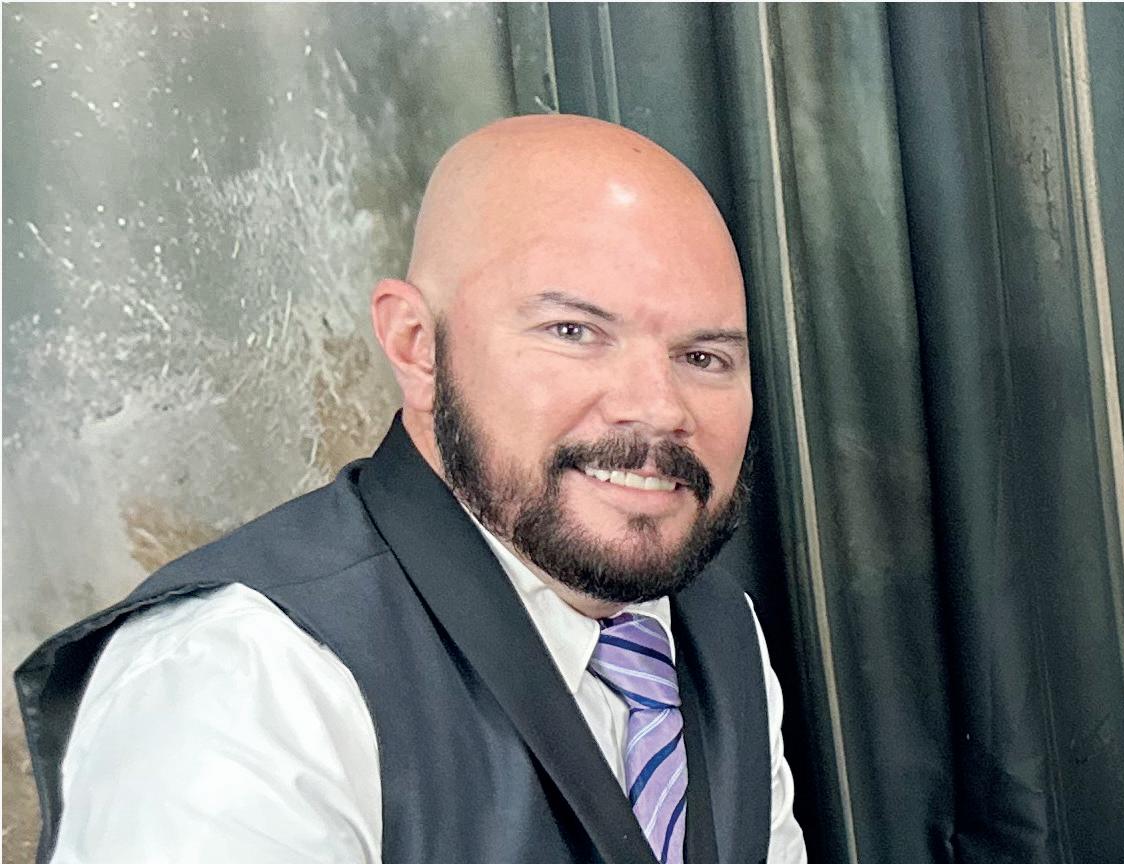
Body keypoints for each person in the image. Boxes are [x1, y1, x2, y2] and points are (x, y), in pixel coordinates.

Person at [16, 114, 807, 864]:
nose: (659, 408)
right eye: (574, 332)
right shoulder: (242, 675)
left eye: (704, 358)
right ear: (417, 346)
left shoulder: (717, 632)